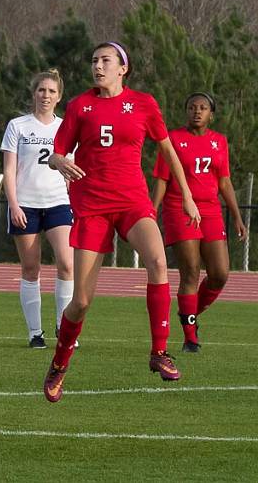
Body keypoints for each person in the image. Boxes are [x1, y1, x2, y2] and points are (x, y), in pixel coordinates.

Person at [43, 42, 202, 403]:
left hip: (132, 203)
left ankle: (159, 352)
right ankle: (59, 363)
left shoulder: (144, 103)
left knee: (159, 262)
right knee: (81, 300)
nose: (97, 66)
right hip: (92, 206)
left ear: (122, 68)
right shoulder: (80, 105)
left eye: (105, 61)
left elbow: (168, 152)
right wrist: (59, 163)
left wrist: (188, 195)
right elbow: (55, 153)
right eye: (94, 60)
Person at [151, 92, 246, 352]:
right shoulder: (172, 139)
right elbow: (161, 178)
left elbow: (224, 182)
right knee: (191, 270)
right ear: (186, 111)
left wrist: (236, 216)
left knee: (220, 273)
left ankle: (189, 313)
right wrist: (153, 211)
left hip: (211, 211)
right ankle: (190, 336)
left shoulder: (219, 141)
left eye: (203, 108)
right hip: (179, 207)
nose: (197, 111)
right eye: (192, 107)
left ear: (211, 114)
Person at [0, 69, 74, 349]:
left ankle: (63, 327)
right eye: (42, 90)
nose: (46, 95)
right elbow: (9, 169)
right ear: (34, 93)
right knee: (31, 268)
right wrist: (14, 204)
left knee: (67, 263)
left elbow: (72, 168)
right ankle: (35, 333)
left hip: (57, 202)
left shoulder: (66, 127)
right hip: (26, 205)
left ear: (59, 97)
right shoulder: (18, 125)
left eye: (52, 92)